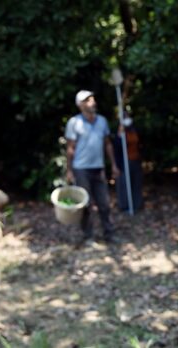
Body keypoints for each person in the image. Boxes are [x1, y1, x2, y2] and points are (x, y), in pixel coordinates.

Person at [65, 90, 121, 244]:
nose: (92, 102)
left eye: (93, 99)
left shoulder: (102, 121)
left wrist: (114, 165)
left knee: (104, 203)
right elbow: (70, 148)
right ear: (81, 105)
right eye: (88, 100)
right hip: (81, 168)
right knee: (86, 204)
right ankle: (88, 236)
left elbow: (107, 144)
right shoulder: (74, 123)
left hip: (98, 167)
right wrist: (69, 170)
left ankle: (109, 234)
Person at [113, 112, 144, 212]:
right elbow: (117, 147)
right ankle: (125, 205)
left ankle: (137, 204)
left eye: (127, 116)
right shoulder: (119, 131)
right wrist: (120, 135)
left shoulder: (134, 130)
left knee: (136, 183)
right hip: (124, 162)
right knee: (124, 184)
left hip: (135, 160)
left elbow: (140, 144)